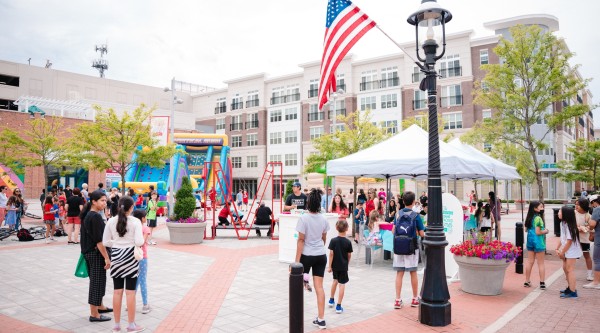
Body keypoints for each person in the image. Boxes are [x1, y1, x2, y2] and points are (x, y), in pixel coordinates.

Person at [102, 195, 145, 333]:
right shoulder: (136, 222)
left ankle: (116, 325)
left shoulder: (111, 221)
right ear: (131, 207)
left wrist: (116, 243)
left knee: (117, 291)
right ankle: (131, 325)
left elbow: (105, 242)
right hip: (131, 257)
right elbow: (139, 242)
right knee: (130, 292)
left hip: (116, 256)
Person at [294, 188, 330, 329]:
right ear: (319, 203)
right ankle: (321, 319)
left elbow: (301, 241)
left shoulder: (303, 218)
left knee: (297, 285)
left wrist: (296, 262)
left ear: (308, 203)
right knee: (319, 287)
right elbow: (324, 238)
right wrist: (319, 249)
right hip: (320, 256)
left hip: (307, 256)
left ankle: (296, 317)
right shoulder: (324, 219)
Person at [79, 190, 112, 323]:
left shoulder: (89, 215)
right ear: (94, 201)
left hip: (89, 252)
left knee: (99, 281)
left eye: (105, 200)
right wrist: (106, 257)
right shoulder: (95, 216)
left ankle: (100, 306)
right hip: (95, 253)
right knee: (96, 283)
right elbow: (99, 241)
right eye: (102, 201)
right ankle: (94, 314)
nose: (105, 203)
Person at [393, 191, 425, 309]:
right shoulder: (416, 216)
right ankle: (415, 298)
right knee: (413, 272)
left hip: (399, 246)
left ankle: (397, 299)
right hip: (411, 247)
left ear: (403, 201)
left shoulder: (398, 214)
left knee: (399, 273)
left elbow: (393, 230)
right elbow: (422, 234)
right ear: (413, 202)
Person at [327, 219, 353, 314]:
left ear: (336, 228)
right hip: (343, 266)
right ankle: (338, 306)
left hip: (335, 266)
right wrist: (347, 263)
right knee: (342, 284)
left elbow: (331, 254)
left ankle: (331, 300)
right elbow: (349, 255)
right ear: (347, 229)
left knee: (335, 281)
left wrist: (329, 266)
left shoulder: (333, 241)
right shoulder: (348, 242)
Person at [557, 205, 583, 298]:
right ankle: (569, 287)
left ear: (565, 214)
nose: (558, 213)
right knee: (565, 268)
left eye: (560, 211)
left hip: (571, 250)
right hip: (567, 249)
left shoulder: (569, 225)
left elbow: (569, 241)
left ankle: (573, 291)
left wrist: (562, 252)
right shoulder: (563, 223)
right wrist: (557, 248)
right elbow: (562, 238)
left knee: (570, 269)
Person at [524, 201, 548, 289]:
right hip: (539, 243)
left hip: (530, 241)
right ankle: (542, 283)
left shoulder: (529, 218)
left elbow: (526, 230)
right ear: (535, 208)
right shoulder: (538, 218)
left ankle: (527, 281)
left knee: (530, 261)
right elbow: (538, 232)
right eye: (541, 207)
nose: (543, 208)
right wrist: (546, 231)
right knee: (541, 263)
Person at [132, 209, 152, 314]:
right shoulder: (145, 228)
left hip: (132, 257)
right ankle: (145, 305)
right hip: (142, 256)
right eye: (145, 216)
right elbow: (142, 242)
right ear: (143, 218)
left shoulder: (132, 227)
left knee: (134, 280)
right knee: (143, 280)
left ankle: (130, 303)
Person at [575, 198, 594, 281]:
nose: (576, 206)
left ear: (584, 206)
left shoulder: (588, 216)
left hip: (584, 239)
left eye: (578, 204)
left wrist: (585, 228)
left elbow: (592, 227)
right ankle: (570, 273)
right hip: (574, 238)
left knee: (586, 255)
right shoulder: (573, 214)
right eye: (575, 204)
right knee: (572, 256)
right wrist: (577, 228)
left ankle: (589, 274)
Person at [584, 195, 600, 289]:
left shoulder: (597, 209)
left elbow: (592, 224)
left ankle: (596, 282)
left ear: (594, 202)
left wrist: (588, 225)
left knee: (597, 259)